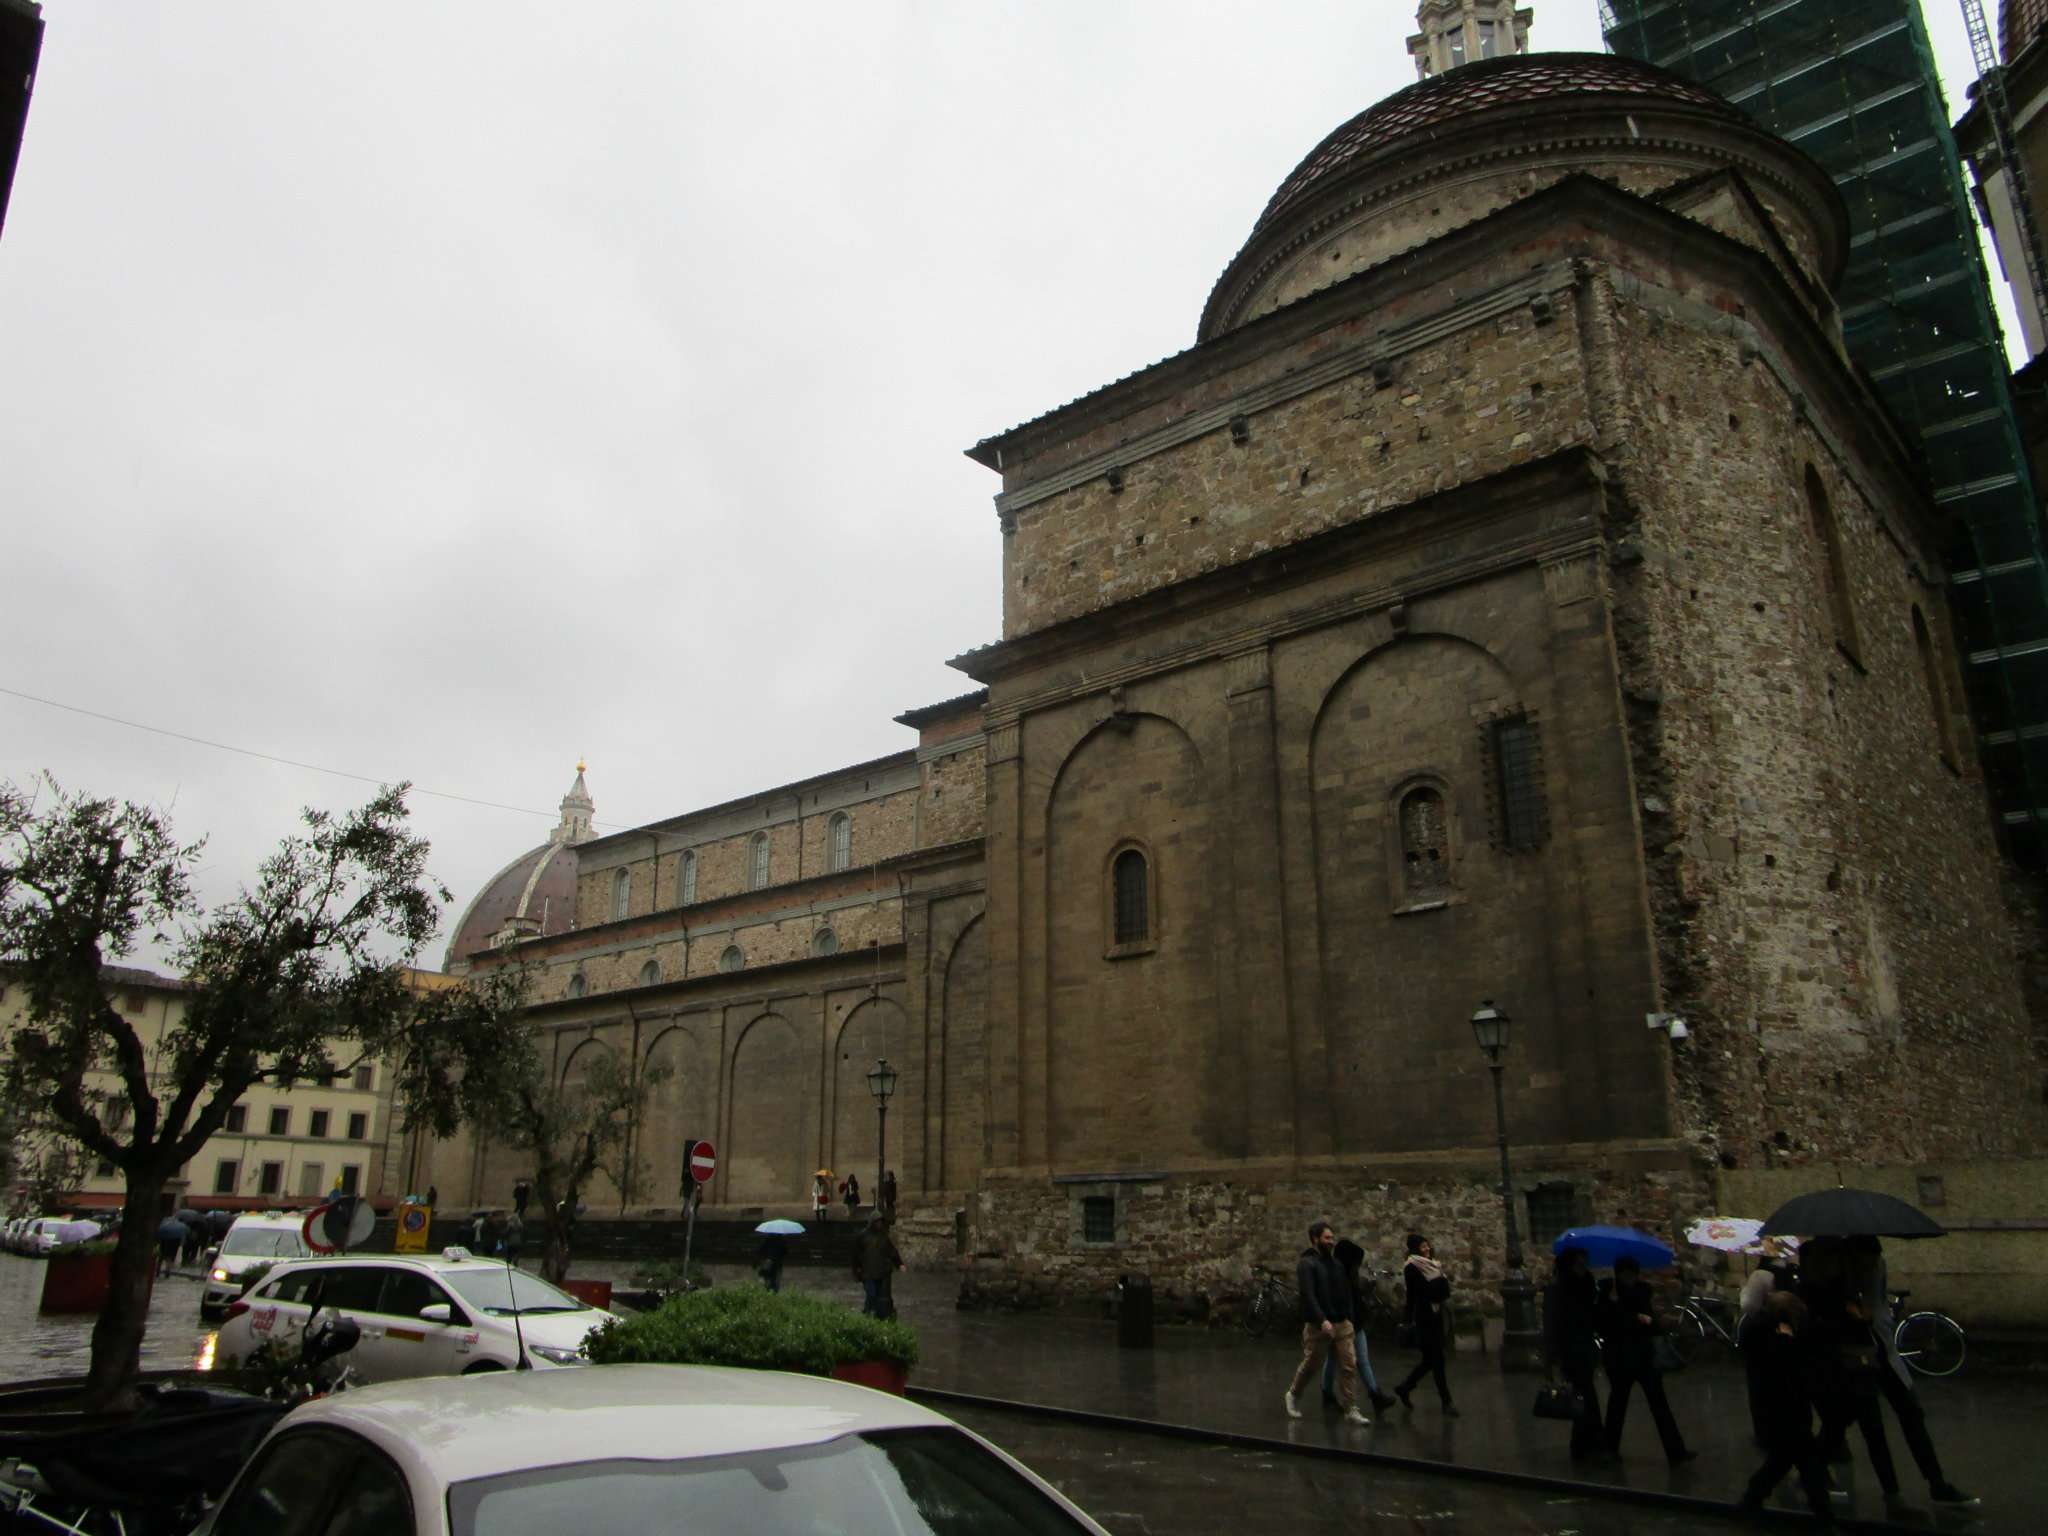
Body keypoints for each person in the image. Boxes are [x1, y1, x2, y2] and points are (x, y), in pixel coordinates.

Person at [1847, 1236, 1977, 1510]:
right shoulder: (1838, 1271)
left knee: (1909, 1416)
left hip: (1882, 1351)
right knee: (1867, 1426)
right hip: (1859, 1358)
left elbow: (1876, 1307)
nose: (1872, 1265)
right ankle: (1893, 1493)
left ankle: (1935, 1484)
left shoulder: (1869, 1263)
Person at [1803, 1237, 1903, 1511]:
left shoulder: (1848, 1283)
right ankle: (1812, 1478)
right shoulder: (1819, 1288)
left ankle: (1892, 1493)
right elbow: (1817, 1327)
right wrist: (1848, 1316)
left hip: (1857, 1365)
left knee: (1867, 1429)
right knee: (1839, 1428)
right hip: (1835, 1369)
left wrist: (1861, 1315)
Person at [1739, 1289, 1836, 1523]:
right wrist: (1786, 1340)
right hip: (1781, 1409)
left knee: (1785, 1459)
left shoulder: (1765, 1330)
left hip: (1784, 1408)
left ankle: (1752, 1498)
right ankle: (1823, 1512)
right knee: (1802, 1460)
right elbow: (1782, 1363)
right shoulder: (1768, 1334)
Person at [1602, 1255, 1695, 1465]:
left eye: (1632, 1274)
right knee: (1617, 1404)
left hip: (1642, 1355)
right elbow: (1607, 1323)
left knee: (1659, 1404)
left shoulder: (1642, 1291)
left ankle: (1676, 1450)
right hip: (1619, 1357)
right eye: (1625, 1275)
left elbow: (1650, 1323)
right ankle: (1609, 1449)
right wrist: (1619, 1308)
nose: (1629, 1279)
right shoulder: (1608, 1293)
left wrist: (1646, 1320)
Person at [1282, 1220, 1368, 1424]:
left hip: (1341, 1322)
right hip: (1319, 1325)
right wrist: (1322, 1320)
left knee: (1349, 1365)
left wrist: (1348, 1316)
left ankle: (1350, 1407)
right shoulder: (1307, 1264)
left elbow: (1344, 1290)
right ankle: (1293, 1394)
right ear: (1315, 1239)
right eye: (1327, 1238)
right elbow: (1308, 1295)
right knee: (1312, 1364)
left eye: (1332, 1237)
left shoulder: (1336, 1264)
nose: (1331, 1242)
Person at [1322, 1237, 1396, 1414]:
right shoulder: (1337, 1276)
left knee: (1359, 1359)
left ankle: (1373, 1393)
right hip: (1341, 1322)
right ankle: (1329, 1394)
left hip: (1354, 1322)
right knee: (1334, 1359)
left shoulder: (1348, 1275)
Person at [1544, 1245, 1606, 1460]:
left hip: (1585, 1345)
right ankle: (1590, 1444)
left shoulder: (1587, 1283)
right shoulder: (1560, 1287)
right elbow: (1553, 1322)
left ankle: (1583, 1444)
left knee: (1584, 1396)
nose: (1584, 1262)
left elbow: (1592, 1313)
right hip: (1570, 1348)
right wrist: (1552, 1356)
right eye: (1580, 1258)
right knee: (1585, 1395)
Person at [1740, 1239, 1798, 1448]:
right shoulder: (1789, 1273)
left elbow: (1749, 1306)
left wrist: (1744, 1290)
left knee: (1759, 1385)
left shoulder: (1760, 1275)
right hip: (1784, 1333)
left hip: (1761, 1334)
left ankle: (1764, 1433)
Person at [1392, 1232, 1457, 1416]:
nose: (1427, 1248)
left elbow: (1442, 1290)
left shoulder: (1433, 1265)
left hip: (1435, 1316)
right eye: (1422, 1246)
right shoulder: (1412, 1267)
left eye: (1427, 1244)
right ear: (1415, 1249)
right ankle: (1446, 1401)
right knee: (1437, 1359)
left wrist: (1440, 1285)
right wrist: (1407, 1319)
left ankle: (1405, 1387)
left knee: (1430, 1360)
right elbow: (1423, 1292)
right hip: (1424, 1317)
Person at [853, 1215, 904, 1318]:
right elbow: (856, 1254)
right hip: (868, 1272)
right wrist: (857, 1269)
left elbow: (892, 1251)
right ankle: (868, 1313)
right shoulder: (863, 1236)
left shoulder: (883, 1237)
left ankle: (878, 1314)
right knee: (871, 1294)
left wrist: (899, 1263)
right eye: (877, 1222)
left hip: (881, 1271)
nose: (879, 1224)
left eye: (880, 1222)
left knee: (881, 1296)